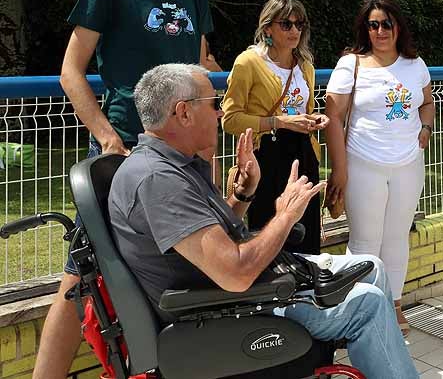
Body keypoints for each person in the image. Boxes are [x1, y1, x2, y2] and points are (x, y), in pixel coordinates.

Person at [108, 63, 419, 378]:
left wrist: (243, 194)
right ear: (183, 112)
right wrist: (285, 216)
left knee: (372, 268)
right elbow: (236, 273)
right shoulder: (159, 180)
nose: (219, 114)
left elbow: (207, 238)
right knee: (369, 303)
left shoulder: (170, 165)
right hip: (229, 311)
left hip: (235, 292)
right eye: (214, 103)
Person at [36, 0, 219, 379]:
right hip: (123, 153)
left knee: (187, 262)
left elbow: (202, 67)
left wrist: (217, 130)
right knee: (83, 273)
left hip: (185, 154)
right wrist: (108, 137)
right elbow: (71, 71)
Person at [323, 0, 433, 335]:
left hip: (408, 164)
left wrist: (426, 128)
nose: (381, 30)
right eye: (374, 25)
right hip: (363, 163)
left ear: (398, 27)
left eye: (387, 23)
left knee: (397, 237)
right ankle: (363, 308)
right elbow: (333, 117)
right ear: (365, 29)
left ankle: (394, 303)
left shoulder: (416, 65)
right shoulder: (350, 65)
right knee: (366, 240)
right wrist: (339, 171)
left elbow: (427, 102)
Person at [222, 0, 329, 254]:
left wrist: (315, 119)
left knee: (306, 233)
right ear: (267, 27)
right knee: (270, 233)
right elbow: (230, 119)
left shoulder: (305, 65)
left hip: (303, 154)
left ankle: (306, 292)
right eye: (286, 24)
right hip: (267, 156)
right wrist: (278, 122)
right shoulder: (248, 62)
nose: (295, 30)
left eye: (299, 24)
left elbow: (303, 110)